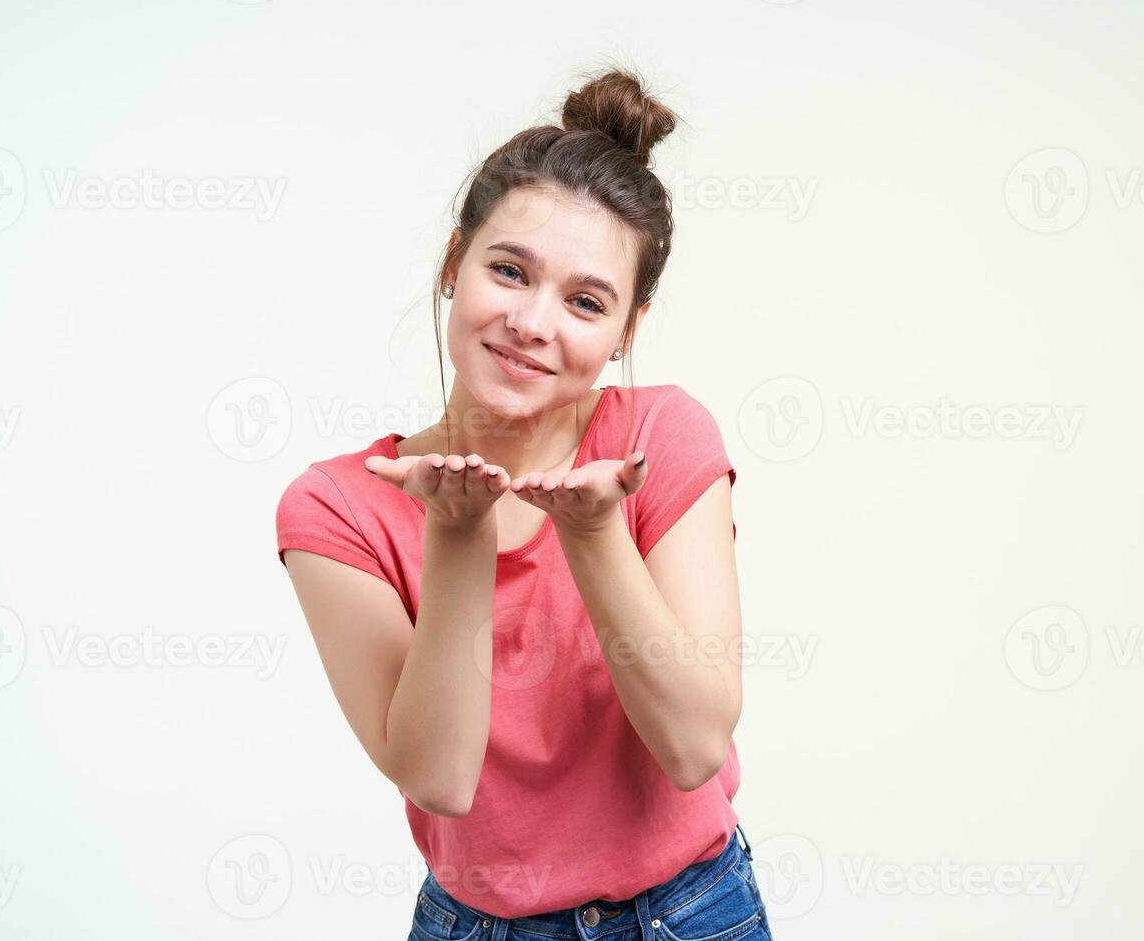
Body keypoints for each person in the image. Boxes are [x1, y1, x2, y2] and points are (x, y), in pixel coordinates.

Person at [275, 63, 773, 939]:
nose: (534, 322)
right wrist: (456, 532)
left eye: (585, 302)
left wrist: (592, 532)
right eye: (509, 271)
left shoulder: (664, 435)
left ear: (627, 332)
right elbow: (439, 779)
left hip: (691, 914)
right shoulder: (337, 508)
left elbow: (695, 748)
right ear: (453, 266)